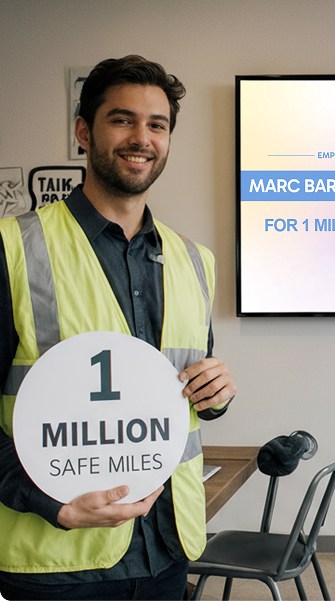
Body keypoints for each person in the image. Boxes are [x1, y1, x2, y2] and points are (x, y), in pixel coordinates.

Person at [0, 55, 237, 600]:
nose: (142, 138)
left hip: (166, 551)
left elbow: (185, 392)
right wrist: (48, 502)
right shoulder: (16, 248)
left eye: (157, 125)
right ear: (83, 130)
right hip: (58, 564)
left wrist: (215, 394)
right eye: (122, 119)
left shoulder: (195, 260)